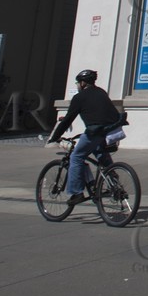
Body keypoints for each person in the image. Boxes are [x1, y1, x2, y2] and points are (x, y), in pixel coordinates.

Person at [47, 69, 123, 206]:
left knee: (76, 157)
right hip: (110, 132)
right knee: (101, 155)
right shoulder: (101, 92)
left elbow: (68, 120)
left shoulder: (79, 97)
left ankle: (77, 193)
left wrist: (55, 136)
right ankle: (114, 185)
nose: (77, 85)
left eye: (78, 83)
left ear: (83, 83)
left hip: (95, 132)